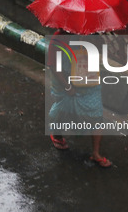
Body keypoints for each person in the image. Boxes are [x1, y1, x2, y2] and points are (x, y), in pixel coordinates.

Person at [47, 29, 112, 168]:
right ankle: (57, 136)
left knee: (96, 113)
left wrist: (95, 38)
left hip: (87, 79)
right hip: (65, 80)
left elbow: (100, 51)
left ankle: (96, 153)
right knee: (62, 109)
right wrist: (67, 87)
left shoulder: (91, 34)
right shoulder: (59, 38)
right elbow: (53, 65)